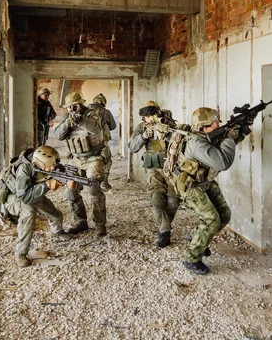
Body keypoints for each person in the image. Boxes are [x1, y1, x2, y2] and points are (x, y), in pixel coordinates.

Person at [172, 107, 245, 275]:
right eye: (215, 123)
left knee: (224, 215)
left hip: (204, 181)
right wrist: (229, 138)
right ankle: (191, 258)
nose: (219, 124)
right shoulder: (197, 143)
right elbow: (222, 163)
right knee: (212, 220)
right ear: (204, 128)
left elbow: (227, 142)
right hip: (191, 186)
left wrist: (241, 129)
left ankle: (197, 237)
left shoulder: (205, 136)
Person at [0, 146, 72, 268]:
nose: (52, 168)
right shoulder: (24, 169)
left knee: (55, 214)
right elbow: (25, 197)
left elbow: (58, 170)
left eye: (53, 165)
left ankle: (56, 232)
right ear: (39, 163)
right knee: (28, 213)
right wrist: (47, 185)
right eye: (49, 167)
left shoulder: (46, 164)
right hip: (14, 196)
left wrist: (68, 180)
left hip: (30, 191)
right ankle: (21, 253)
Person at [54, 92, 111, 235]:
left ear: (81, 104)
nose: (72, 109)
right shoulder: (67, 118)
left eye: (75, 106)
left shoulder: (93, 114)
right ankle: (80, 221)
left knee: (94, 190)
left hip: (94, 157)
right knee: (70, 190)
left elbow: (95, 129)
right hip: (75, 159)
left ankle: (99, 225)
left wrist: (80, 120)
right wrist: (68, 121)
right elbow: (58, 135)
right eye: (69, 107)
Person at [128, 100, 180, 248]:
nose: (150, 119)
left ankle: (164, 226)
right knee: (157, 200)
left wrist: (167, 131)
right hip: (154, 168)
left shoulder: (168, 124)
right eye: (147, 117)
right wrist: (144, 136)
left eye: (152, 115)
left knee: (173, 201)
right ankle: (165, 232)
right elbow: (132, 147)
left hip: (171, 167)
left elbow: (180, 141)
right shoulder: (142, 127)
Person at [87, 93, 117, 190]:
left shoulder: (85, 110)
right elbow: (113, 126)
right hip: (101, 142)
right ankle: (104, 182)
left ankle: (89, 181)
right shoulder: (106, 112)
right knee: (107, 160)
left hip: (86, 142)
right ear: (103, 103)